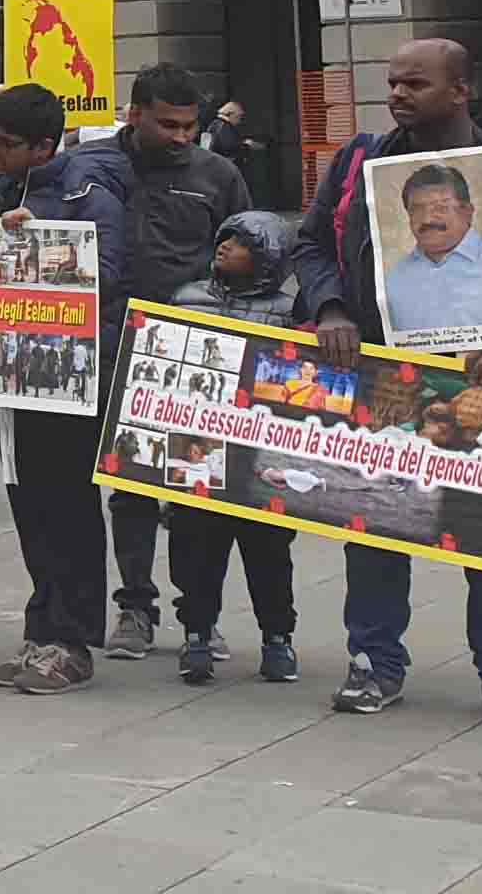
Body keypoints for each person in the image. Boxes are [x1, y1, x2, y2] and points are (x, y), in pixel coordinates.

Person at [288, 38, 482, 726]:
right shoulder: (359, 161)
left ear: (460, 91)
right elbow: (311, 244)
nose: (397, 94)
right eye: (393, 81)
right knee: (376, 521)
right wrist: (331, 308)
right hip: (384, 379)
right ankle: (374, 660)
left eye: (415, 84)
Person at [0, 83, 131, 697]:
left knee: (68, 508)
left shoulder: (88, 195)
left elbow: (105, 276)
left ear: (44, 145)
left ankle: (73, 643)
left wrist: (39, 245)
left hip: (71, 375)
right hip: (13, 373)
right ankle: (43, 630)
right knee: (29, 505)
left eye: (6, 144)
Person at [95, 68, 248, 665]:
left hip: (195, 354)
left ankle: (199, 617)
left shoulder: (219, 175)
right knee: (130, 488)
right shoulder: (95, 169)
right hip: (114, 346)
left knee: (195, 491)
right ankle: (135, 606)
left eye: (191, 126)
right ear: (134, 114)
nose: (182, 137)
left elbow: (251, 255)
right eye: (168, 125)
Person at [164, 213, 305, 686]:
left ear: (268, 258)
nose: (225, 246)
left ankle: (277, 638)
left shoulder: (290, 311)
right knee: (195, 550)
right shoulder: (188, 298)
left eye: (242, 243)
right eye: (224, 238)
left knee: (269, 553)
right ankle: (197, 634)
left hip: (262, 456)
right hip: (197, 451)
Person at [382, 164, 482, 337]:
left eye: (440, 208)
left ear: (467, 212)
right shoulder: (395, 278)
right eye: (417, 210)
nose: (427, 219)